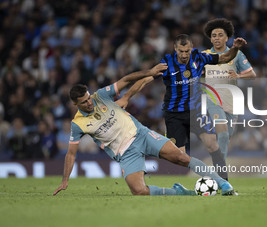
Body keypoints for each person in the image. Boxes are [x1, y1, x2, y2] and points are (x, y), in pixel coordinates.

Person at [53, 64, 235, 196]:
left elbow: (125, 80)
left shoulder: (100, 95)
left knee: (181, 157)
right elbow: (70, 154)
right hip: (125, 154)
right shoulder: (77, 124)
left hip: (141, 135)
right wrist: (65, 180)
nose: (89, 102)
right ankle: (182, 193)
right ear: (75, 104)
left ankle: (223, 183)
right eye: (84, 102)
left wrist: (149, 73)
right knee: (139, 191)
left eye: (88, 98)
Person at [160, 34, 247, 180]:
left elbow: (224, 58)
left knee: (213, 144)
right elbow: (147, 77)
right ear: (175, 49)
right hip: (174, 114)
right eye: (181, 51)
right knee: (179, 156)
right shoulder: (167, 63)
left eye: (187, 50)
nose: (184, 54)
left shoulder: (199, 58)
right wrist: (128, 94)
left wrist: (235, 48)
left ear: (191, 48)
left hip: (195, 111)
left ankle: (224, 182)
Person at [202, 18, 256, 179]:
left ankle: (218, 173)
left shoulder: (237, 55)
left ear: (227, 38)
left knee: (224, 139)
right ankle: (221, 176)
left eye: (220, 35)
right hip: (212, 101)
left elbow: (252, 75)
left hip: (232, 102)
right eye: (213, 35)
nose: (216, 38)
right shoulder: (204, 56)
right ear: (210, 39)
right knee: (223, 135)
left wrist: (238, 75)